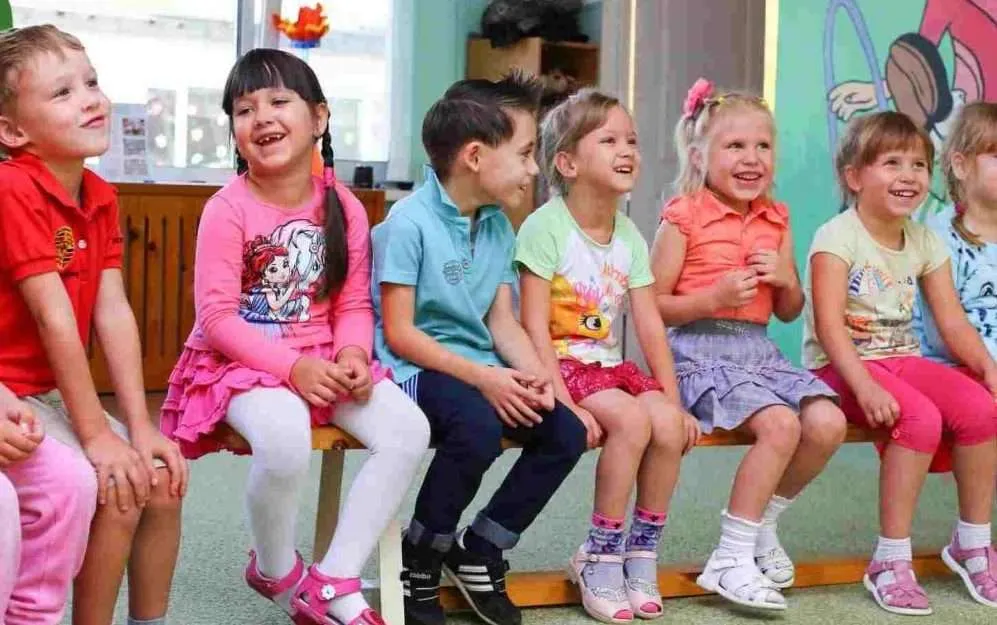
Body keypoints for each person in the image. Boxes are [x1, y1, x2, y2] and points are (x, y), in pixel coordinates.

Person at [159, 49, 430, 625]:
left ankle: (333, 578)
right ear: (234, 131)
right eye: (244, 109)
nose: (261, 117)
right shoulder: (226, 209)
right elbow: (218, 320)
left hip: (325, 355)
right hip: (239, 359)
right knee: (282, 436)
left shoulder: (346, 209)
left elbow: (353, 303)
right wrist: (292, 369)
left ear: (320, 118)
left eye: (279, 102)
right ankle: (276, 568)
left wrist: (355, 352)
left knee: (408, 427)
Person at [371, 73, 588, 625]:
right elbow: (400, 333)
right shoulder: (408, 224)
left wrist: (538, 378)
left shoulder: (496, 226)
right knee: (477, 428)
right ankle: (422, 555)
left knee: (564, 430)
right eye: (523, 153)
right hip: (415, 367)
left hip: (477, 366)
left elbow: (502, 324)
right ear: (474, 155)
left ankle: (481, 549)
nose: (533, 168)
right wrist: (485, 380)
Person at [0, 24, 187, 625]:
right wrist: (97, 438)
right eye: (62, 93)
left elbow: (113, 311)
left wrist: (137, 426)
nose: (90, 98)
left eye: (91, 82)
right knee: (103, 481)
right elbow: (56, 320)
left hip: (52, 388)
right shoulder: (12, 189)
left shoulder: (100, 196)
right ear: (12, 131)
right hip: (15, 390)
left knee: (153, 477)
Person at [651, 78, 846, 611]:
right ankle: (731, 557)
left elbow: (789, 310)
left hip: (759, 352)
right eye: (735, 146)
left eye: (762, 146)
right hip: (698, 351)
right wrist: (710, 298)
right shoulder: (683, 215)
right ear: (700, 155)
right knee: (782, 425)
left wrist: (786, 278)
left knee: (828, 422)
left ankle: (763, 522)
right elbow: (651, 306)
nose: (751, 158)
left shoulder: (776, 217)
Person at [806, 110, 997, 616]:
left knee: (981, 408)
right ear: (854, 177)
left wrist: (989, 369)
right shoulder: (837, 236)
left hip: (901, 360)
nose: (909, 175)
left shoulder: (924, 240)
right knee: (920, 417)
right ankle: (890, 559)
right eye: (892, 163)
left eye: (917, 164)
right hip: (841, 364)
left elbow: (953, 324)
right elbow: (829, 329)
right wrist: (865, 388)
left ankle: (973, 543)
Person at [518, 89, 698, 622]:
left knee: (666, 424)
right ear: (567, 162)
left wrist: (672, 398)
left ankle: (640, 552)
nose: (628, 150)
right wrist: (564, 401)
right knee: (631, 422)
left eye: (633, 141)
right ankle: (598, 552)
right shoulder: (545, 227)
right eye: (610, 139)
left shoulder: (630, 235)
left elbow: (648, 324)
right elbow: (531, 327)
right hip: (561, 367)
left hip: (607, 368)